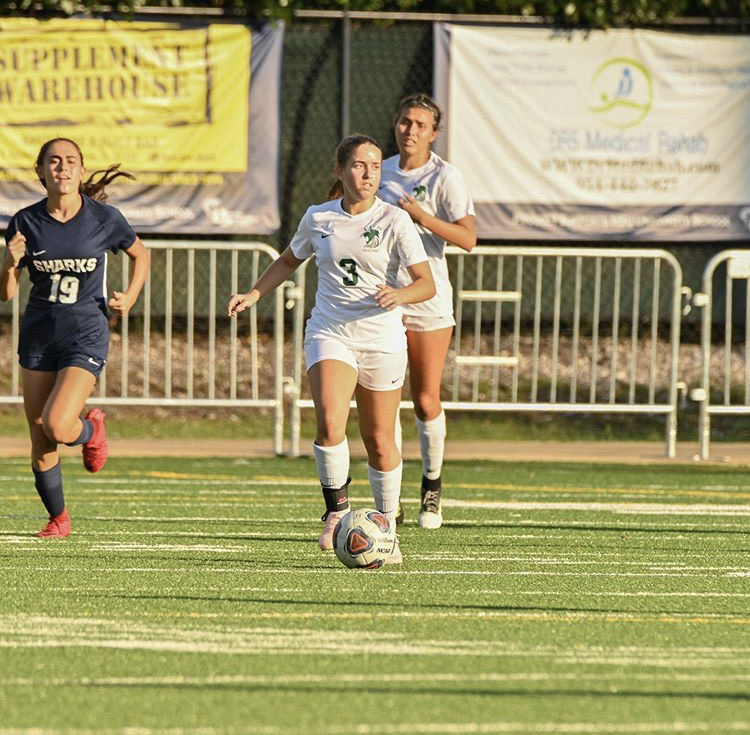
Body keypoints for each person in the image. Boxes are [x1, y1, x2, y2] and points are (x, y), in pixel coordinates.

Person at [228, 134, 434, 563]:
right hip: (331, 331)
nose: (369, 174)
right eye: (359, 165)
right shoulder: (318, 217)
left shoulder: (395, 221)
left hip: (381, 339)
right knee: (329, 419)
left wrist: (400, 295)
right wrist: (253, 294)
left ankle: (386, 524)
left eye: (376, 166)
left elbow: (425, 283)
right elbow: (288, 260)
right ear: (340, 171)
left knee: (379, 439)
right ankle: (336, 510)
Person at [0, 138, 150, 538]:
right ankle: (58, 518)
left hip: (85, 331)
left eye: (70, 162)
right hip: (38, 335)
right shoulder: (24, 222)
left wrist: (130, 296)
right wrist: (9, 263)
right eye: (53, 161)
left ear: (81, 171)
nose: (62, 168)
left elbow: (141, 254)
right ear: (41, 171)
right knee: (39, 433)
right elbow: (7, 293)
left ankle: (90, 430)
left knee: (57, 424)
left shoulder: (104, 218)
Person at [378, 93, 477, 530]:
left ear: (433, 133)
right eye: (405, 122)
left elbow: (468, 238)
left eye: (420, 124)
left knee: (424, 398)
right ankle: (390, 497)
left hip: (428, 298)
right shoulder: (377, 170)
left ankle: (432, 488)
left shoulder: (445, 177)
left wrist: (420, 216)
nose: (410, 130)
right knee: (385, 400)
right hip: (382, 300)